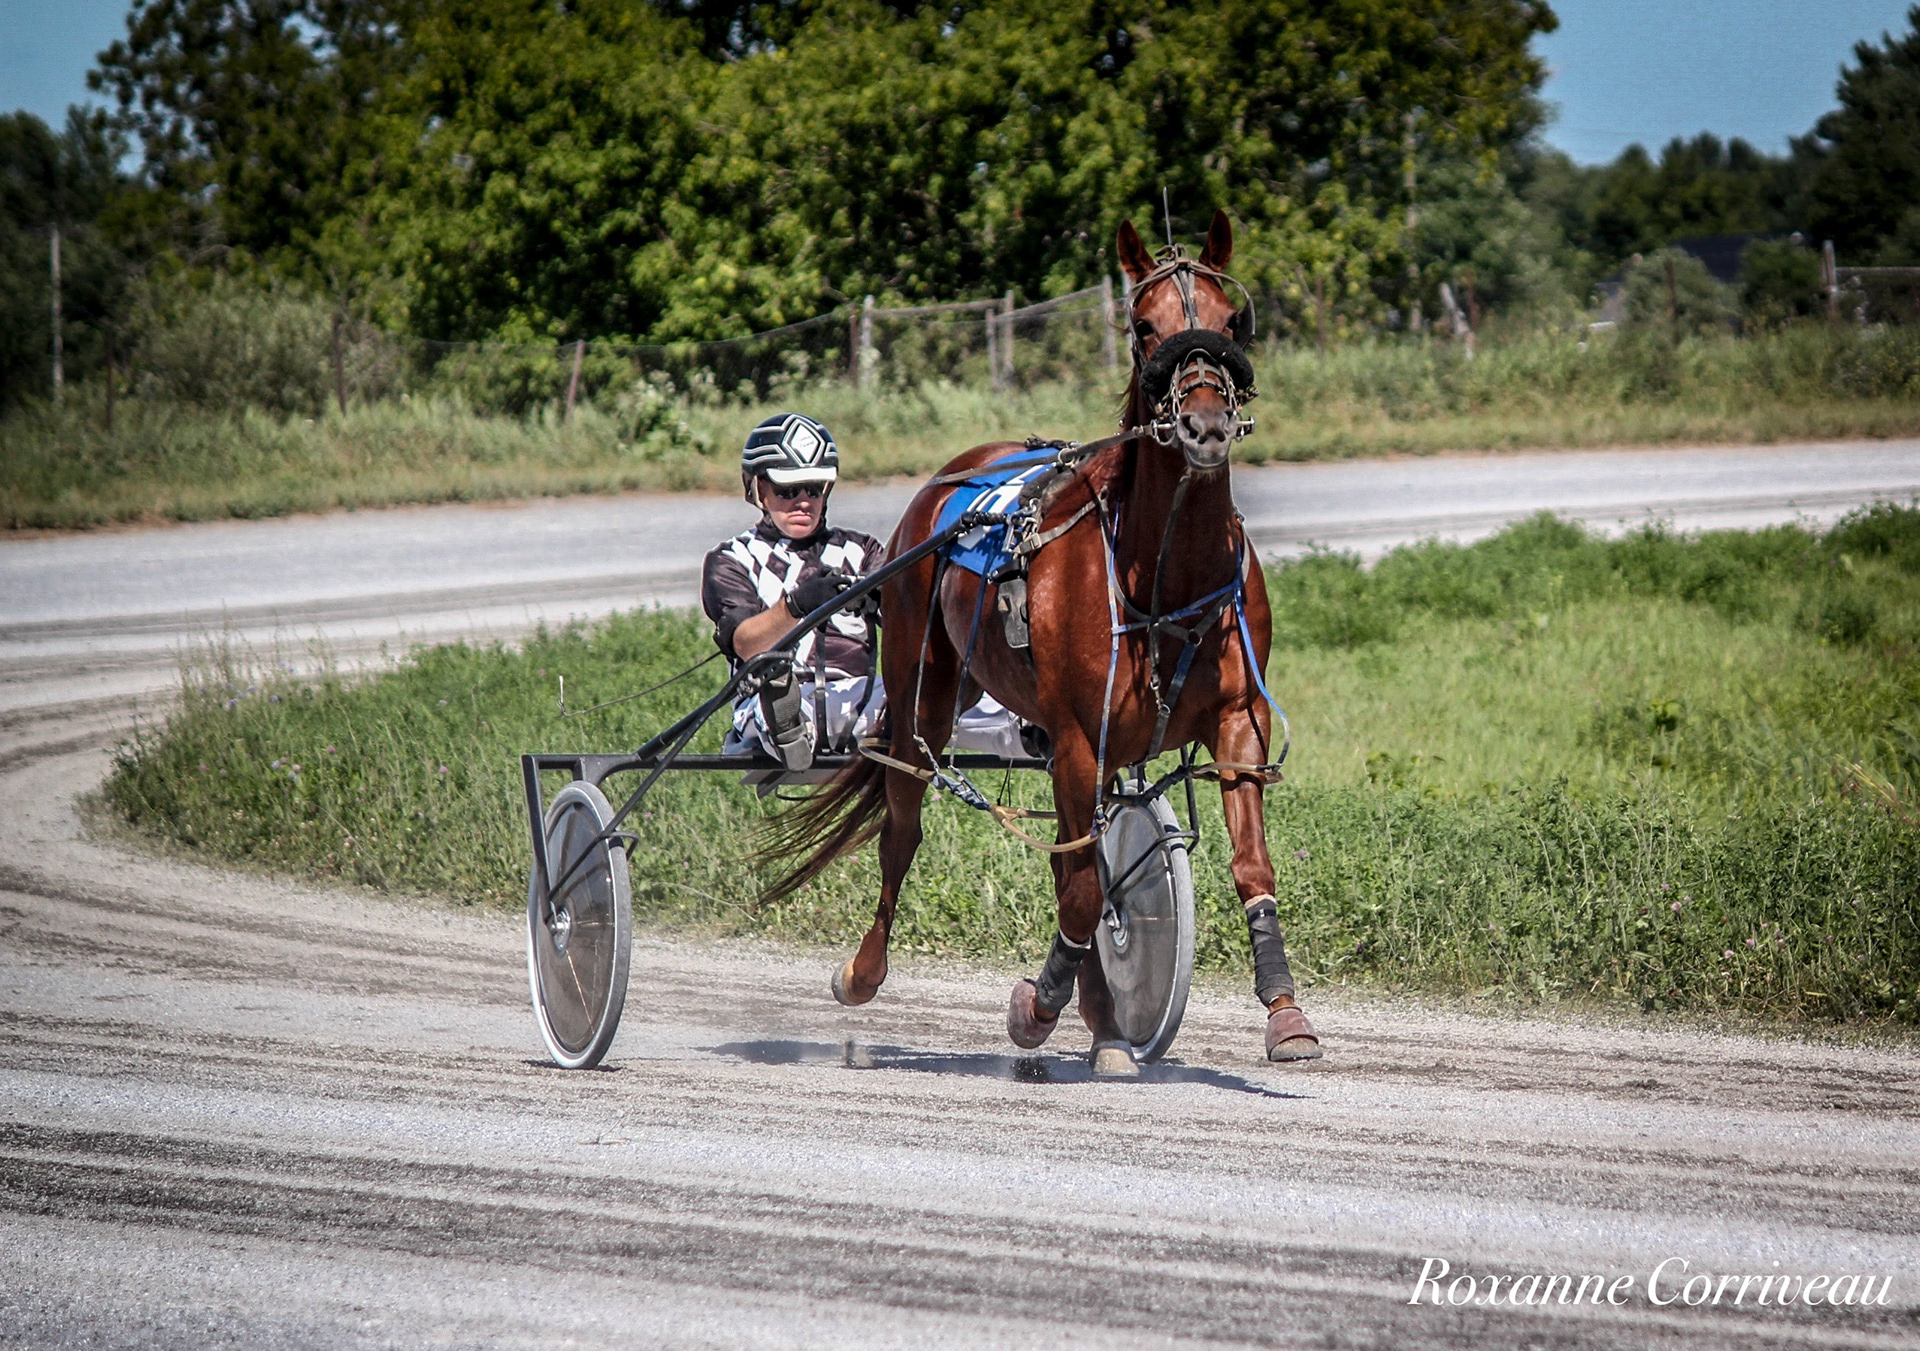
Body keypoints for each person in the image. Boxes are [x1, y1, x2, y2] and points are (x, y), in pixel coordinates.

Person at [702, 412, 1033, 770]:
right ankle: (789, 727)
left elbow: (909, 624)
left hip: (861, 698)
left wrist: (881, 601)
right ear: (757, 488)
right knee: (776, 695)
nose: (802, 501)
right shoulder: (730, 559)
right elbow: (746, 643)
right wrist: (796, 606)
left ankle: (1031, 730)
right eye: (787, 490)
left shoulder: (862, 551)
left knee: (944, 694)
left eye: (813, 489)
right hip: (765, 700)